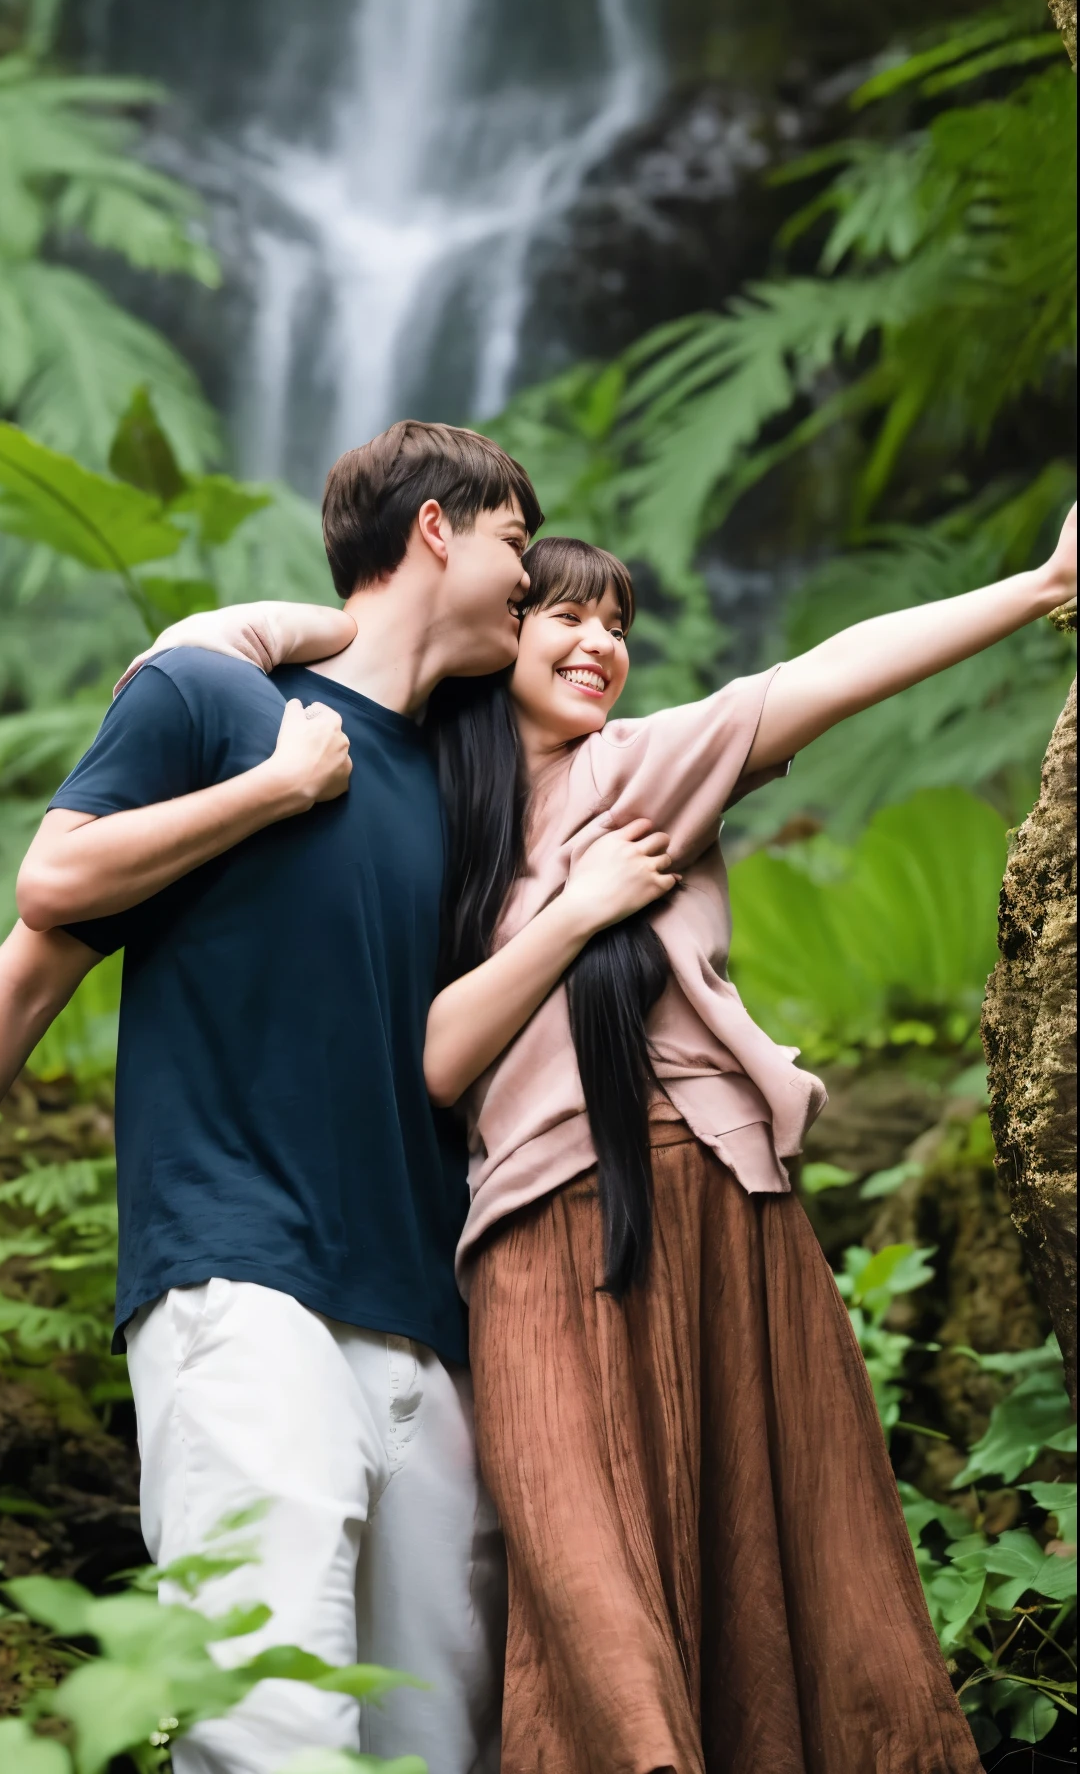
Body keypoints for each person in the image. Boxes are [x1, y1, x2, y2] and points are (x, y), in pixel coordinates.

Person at [0, 419, 544, 1774]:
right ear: (437, 527)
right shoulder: (213, 707)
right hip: (240, 1282)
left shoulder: (472, 776)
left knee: (442, 1750)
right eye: (515, 541)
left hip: (429, 1329)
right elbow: (40, 927)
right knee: (268, 1735)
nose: (533, 573)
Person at [417, 512, 1076, 1774]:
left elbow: (823, 675)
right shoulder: (428, 816)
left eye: (618, 623)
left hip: (711, 1199)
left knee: (796, 1575)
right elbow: (438, 1063)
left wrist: (1043, 583)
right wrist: (571, 914)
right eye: (566, 614)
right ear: (497, 626)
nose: (600, 644)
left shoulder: (642, 765)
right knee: (583, 1586)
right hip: (528, 1236)